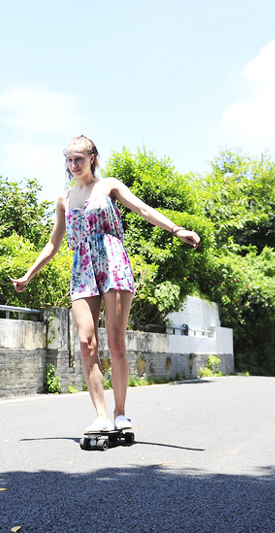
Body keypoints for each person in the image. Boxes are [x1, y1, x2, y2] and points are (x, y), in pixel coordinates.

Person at [11, 135, 200, 434]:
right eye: (69, 160)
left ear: (92, 159)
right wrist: (28, 274)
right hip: (82, 268)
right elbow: (53, 243)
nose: (73, 165)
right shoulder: (64, 198)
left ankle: (121, 413)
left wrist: (176, 229)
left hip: (113, 263)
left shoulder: (108, 186)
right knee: (87, 344)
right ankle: (101, 415)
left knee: (114, 342)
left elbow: (143, 210)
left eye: (79, 159)